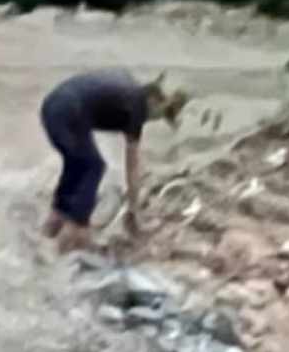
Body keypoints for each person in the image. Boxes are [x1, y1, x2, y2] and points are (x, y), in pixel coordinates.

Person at [38, 62, 186, 247]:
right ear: (154, 100)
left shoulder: (126, 86)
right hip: (69, 112)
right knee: (94, 166)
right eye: (161, 114)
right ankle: (76, 232)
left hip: (51, 107)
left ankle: (52, 225)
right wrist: (134, 212)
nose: (154, 119)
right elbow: (132, 168)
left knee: (76, 165)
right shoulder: (137, 106)